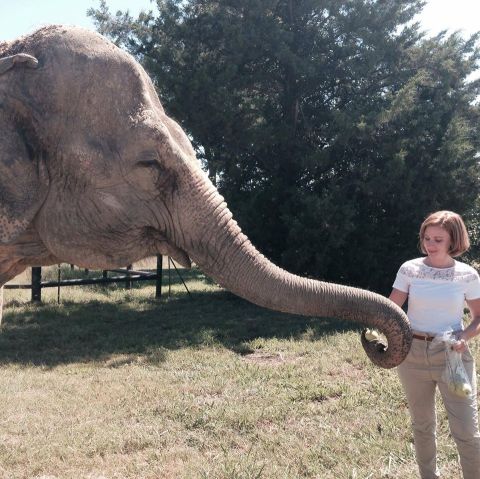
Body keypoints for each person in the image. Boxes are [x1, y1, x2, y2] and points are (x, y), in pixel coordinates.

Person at [389, 210, 480, 479]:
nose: (430, 244)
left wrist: (464, 337)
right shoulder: (410, 269)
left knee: (466, 428)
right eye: (427, 238)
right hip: (412, 353)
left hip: (452, 355)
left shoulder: (467, 275)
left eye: (438, 239)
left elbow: (478, 318)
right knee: (422, 425)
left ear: (453, 240)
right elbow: (392, 307)